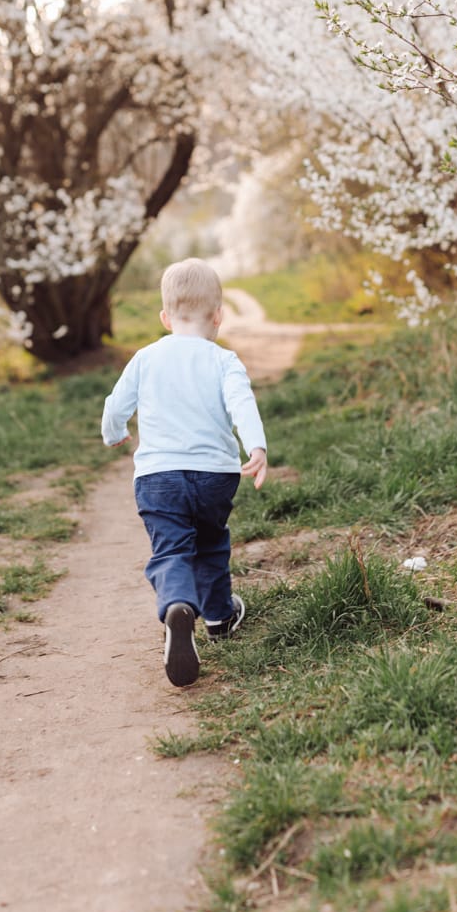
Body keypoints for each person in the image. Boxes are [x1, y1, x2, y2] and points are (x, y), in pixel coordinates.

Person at [101, 258, 267, 687]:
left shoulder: (146, 357)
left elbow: (116, 405)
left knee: (172, 550)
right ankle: (218, 616)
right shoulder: (223, 359)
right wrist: (256, 447)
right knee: (211, 542)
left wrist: (114, 433)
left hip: (158, 478)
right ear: (218, 316)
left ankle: (178, 604)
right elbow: (241, 404)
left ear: (164, 317)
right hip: (215, 474)